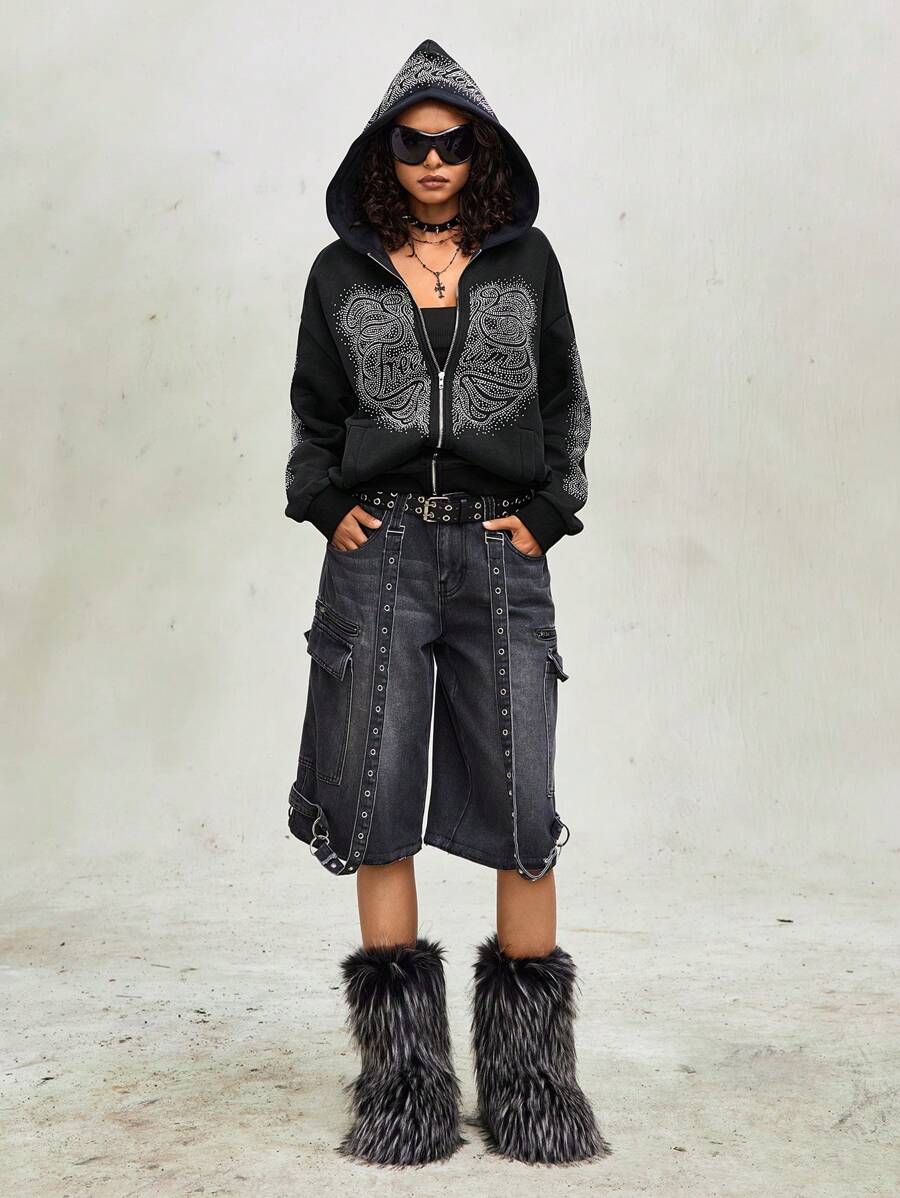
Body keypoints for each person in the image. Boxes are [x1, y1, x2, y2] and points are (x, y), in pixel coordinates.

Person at [283, 38, 610, 1168]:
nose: (433, 161)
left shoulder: (527, 264)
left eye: (453, 144)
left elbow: (564, 400)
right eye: (413, 144)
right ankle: (404, 1091)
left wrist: (551, 510)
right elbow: (313, 413)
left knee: (523, 799)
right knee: (375, 791)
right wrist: (325, 504)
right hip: (379, 551)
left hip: (498, 552)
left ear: (483, 153)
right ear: (386, 154)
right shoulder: (341, 274)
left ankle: (534, 1091)